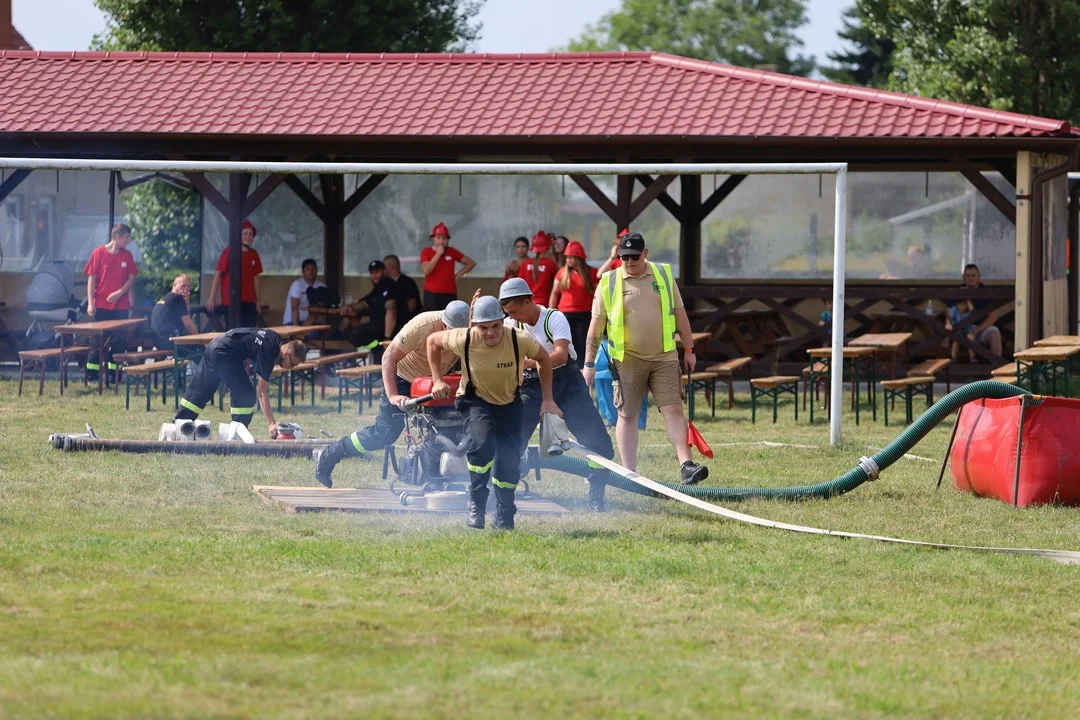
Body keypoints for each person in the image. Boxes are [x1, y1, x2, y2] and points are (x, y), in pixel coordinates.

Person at [582, 232, 708, 485]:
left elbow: (680, 314)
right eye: (623, 257)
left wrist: (690, 350)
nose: (629, 262)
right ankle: (630, 474)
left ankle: (686, 465)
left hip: (664, 356)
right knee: (627, 415)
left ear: (645, 253)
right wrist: (588, 364)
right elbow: (595, 327)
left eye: (634, 256)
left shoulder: (662, 274)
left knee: (673, 410)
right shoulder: (608, 282)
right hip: (626, 359)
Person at [427, 294, 560, 530]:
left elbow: (544, 359)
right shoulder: (464, 338)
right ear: (475, 325)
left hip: (510, 403)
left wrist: (547, 400)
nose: (490, 332)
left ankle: (504, 514)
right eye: (484, 327)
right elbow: (432, 342)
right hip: (475, 400)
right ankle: (476, 505)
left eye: (495, 326)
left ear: (503, 320)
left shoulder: (520, 339)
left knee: (509, 460)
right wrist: (437, 380)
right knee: (482, 443)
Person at [312, 300, 471, 487]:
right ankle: (331, 453)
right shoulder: (422, 325)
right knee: (384, 434)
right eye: (453, 332)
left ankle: (434, 477)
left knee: (447, 426)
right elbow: (388, 357)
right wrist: (393, 395)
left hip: (433, 383)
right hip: (402, 379)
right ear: (444, 324)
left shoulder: (469, 330)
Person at [500, 278, 615, 512]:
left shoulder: (554, 318)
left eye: (514, 311)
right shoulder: (511, 324)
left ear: (528, 301)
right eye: (507, 313)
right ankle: (502, 496)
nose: (511, 317)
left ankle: (596, 495)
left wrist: (527, 363)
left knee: (598, 443)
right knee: (511, 441)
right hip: (530, 387)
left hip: (567, 384)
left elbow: (561, 356)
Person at [175, 327, 306, 437]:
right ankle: (239, 432)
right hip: (224, 352)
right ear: (287, 354)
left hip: (215, 346)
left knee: (202, 388)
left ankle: (180, 424)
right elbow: (261, 393)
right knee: (245, 392)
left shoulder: (275, 339)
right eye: (293, 364)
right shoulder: (270, 352)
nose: (291, 368)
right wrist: (271, 423)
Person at [83, 222, 138, 380]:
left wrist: (120, 292)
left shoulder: (127, 256)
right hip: (101, 305)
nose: (128, 241)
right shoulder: (98, 253)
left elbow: (131, 279)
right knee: (98, 341)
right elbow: (91, 280)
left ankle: (115, 375)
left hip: (121, 306)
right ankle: (91, 375)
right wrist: (90, 303)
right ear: (117, 237)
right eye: (126, 237)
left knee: (119, 341)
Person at [207, 218, 263, 328]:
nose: (248, 236)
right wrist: (212, 297)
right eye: (245, 234)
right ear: (239, 235)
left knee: (249, 332)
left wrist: (258, 300)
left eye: (250, 234)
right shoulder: (229, 251)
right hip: (231, 301)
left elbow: (255, 278)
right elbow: (218, 274)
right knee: (233, 333)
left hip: (249, 301)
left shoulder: (254, 254)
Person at [549, 240, 598, 364]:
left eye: (571, 257)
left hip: (585, 314)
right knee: (566, 343)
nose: (569, 260)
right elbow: (554, 293)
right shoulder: (562, 272)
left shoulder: (591, 272)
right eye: (567, 257)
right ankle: (567, 368)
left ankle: (582, 368)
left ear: (579, 257)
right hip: (565, 314)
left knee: (582, 344)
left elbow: (598, 294)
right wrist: (550, 312)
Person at [338, 260, 399, 356]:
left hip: (389, 333)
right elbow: (364, 304)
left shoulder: (390, 285)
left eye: (377, 272)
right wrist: (348, 306)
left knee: (357, 335)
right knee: (351, 335)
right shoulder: (377, 289)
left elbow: (391, 312)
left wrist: (387, 338)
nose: (374, 275)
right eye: (372, 273)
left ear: (384, 271)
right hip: (376, 330)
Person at [944, 263, 1002, 360]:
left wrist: (976, 330)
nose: (971, 278)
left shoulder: (987, 292)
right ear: (963, 277)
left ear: (979, 277)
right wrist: (949, 324)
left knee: (994, 332)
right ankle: (949, 363)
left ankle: (997, 364)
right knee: (946, 337)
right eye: (968, 275)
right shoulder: (957, 292)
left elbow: (993, 317)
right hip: (961, 329)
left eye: (973, 275)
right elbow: (948, 312)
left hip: (981, 328)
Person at [420, 222, 475, 311]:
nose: (441, 241)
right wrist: (438, 254)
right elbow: (426, 270)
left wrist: (457, 275)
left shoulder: (452, 251)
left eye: (443, 238)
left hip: (450, 292)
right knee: (432, 320)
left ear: (447, 240)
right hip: (432, 293)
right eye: (438, 238)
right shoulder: (426, 252)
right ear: (433, 239)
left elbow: (471, 263)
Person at [150, 273, 199, 349]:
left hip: (158, 342)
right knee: (201, 349)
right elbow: (188, 325)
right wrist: (200, 339)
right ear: (174, 285)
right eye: (183, 286)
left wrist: (187, 304)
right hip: (172, 342)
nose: (186, 289)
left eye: (188, 286)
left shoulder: (164, 299)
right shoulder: (178, 299)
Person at [517, 230, 558, 305]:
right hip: (544, 304)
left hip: (527, 303)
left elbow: (519, 284)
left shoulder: (525, 264)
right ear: (547, 248)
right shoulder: (551, 264)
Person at [282, 258, 326, 326]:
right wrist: (296, 329)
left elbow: (328, 301)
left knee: (328, 331)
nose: (311, 271)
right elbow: (294, 309)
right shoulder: (297, 285)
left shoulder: (321, 286)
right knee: (313, 333)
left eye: (313, 269)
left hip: (309, 322)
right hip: (292, 322)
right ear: (303, 271)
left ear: (317, 271)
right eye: (307, 269)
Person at [383, 254, 422, 327]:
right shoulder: (387, 283)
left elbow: (412, 305)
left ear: (392, 267)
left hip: (404, 323)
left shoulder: (407, 282)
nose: (383, 270)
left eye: (384, 267)